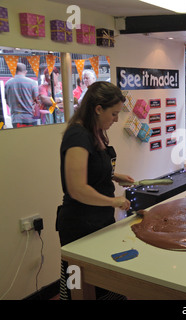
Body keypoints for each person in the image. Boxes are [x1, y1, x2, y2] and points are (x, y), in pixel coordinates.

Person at [56, 81, 134, 300]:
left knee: (107, 285)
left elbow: (90, 170)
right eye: (114, 114)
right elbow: (77, 188)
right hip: (79, 227)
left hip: (100, 223)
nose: (116, 119)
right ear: (98, 108)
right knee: (79, 288)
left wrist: (114, 175)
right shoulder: (77, 136)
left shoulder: (96, 132)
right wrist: (113, 202)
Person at [4, 62, 39, 128]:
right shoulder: (32, 83)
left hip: (16, 119)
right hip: (30, 118)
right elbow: (37, 101)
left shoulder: (8, 83)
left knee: (19, 137)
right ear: (26, 72)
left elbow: (7, 101)